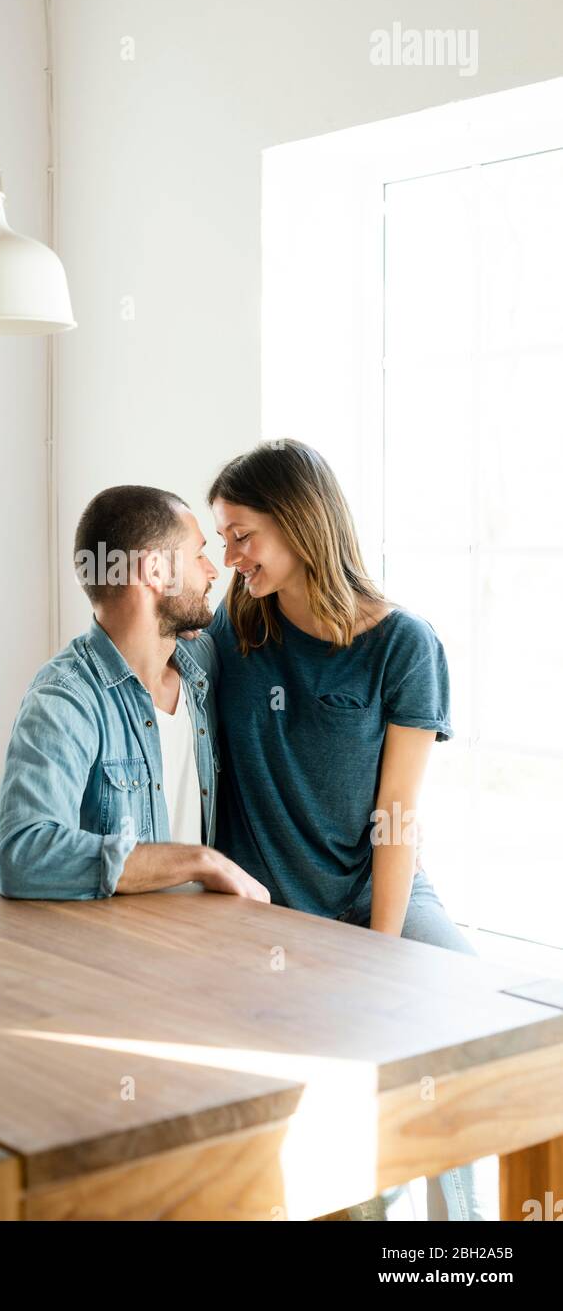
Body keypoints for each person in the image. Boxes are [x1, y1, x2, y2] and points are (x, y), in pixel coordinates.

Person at [200, 437, 495, 1221]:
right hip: (268, 913)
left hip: (375, 894)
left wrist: (381, 951)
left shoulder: (402, 644)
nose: (228, 554)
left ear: (299, 524)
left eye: (241, 534)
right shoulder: (234, 629)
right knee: (336, 1120)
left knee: (477, 1035)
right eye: (221, 537)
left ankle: (457, 1252)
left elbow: (396, 818)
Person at [0, 484, 269, 903]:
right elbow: (24, 855)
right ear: (155, 571)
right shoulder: (64, 700)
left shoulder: (203, 665)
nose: (213, 570)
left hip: (208, 939)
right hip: (123, 955)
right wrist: (199, 861)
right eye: (197, 554)